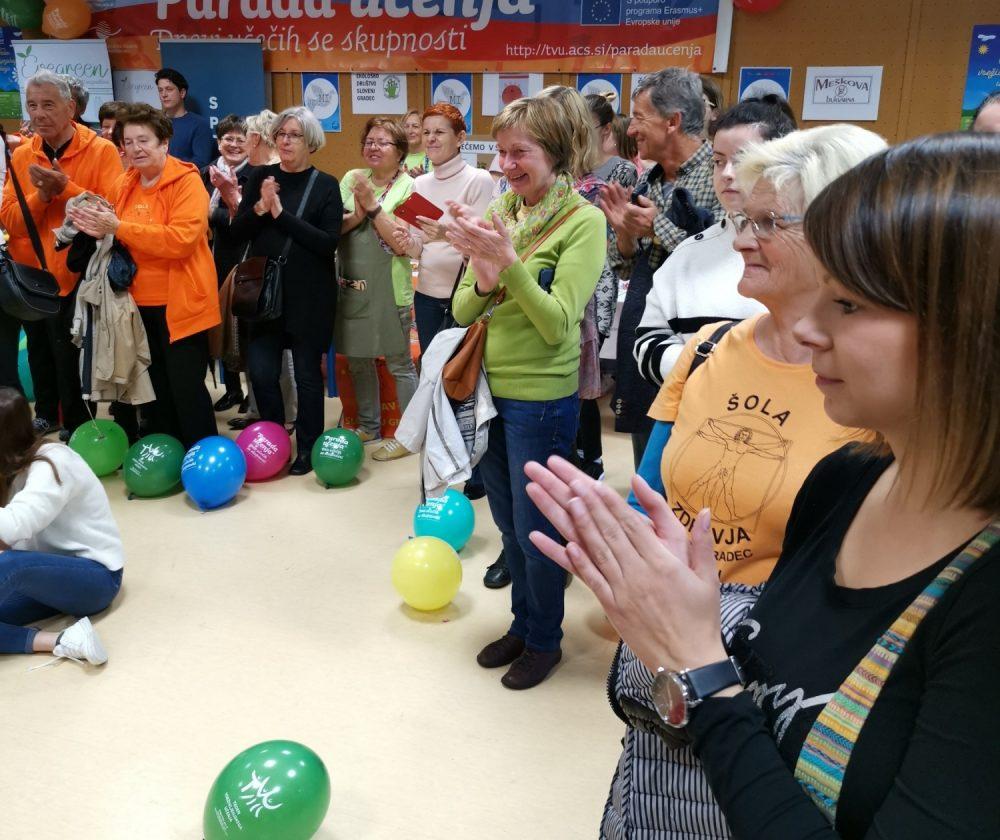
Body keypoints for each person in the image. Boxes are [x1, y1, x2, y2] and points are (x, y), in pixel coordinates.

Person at [528, 131, 1000, 839]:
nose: (808, 333)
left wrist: (697, 664)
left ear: (969, 324)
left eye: (850, 303)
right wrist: (672, 624)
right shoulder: (845, 483)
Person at [586, 124, 887, 838]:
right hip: (667, 676)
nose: (743, 240)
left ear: (842, 235)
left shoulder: (877, 393)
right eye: (741, 220)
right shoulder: (709, 348)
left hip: (778, 689)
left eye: (768, 223)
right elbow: (655, 493)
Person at [447, 94, 606, 690]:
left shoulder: (584, 222)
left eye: (521, 153)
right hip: (488, 391)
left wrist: (507, 264)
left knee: (538, 532)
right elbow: (463, 310)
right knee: (509, 526)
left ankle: (544, 641)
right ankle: (523, 624)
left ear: (556, 154)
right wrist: (486, 273)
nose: (506, 165)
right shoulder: (503, 210)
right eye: (502, 152)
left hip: (541, 400)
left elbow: (559, 323)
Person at [67, 104, 220, 449]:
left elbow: (180, 240)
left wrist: (119, 227)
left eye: (144, 140)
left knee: (186, 388)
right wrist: (96, 226)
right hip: (135, 306)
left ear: (164, 142)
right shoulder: (124, 183)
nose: (135, 148)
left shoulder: (187, 182)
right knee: (155, 390)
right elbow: (115, 234)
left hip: (182, 306)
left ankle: (201, 455)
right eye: (128, 142)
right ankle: (167, 454)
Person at [601, 68, 724, 467]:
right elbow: (624, 267)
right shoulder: (649, 180)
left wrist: (657, 227)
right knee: (647, 460)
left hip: (697, 344)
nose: (631, 129)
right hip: (645, 339)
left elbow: (722, 258)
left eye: (639, 117)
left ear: (672, 121)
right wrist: (624, 233)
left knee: (694, 464)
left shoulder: (721, 174)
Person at [633, 97, 796, 388]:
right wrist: (710, 368)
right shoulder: (688, 253)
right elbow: (648, 343)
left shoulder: (810, 253)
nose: (728, 174)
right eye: (719, 162)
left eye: (744, 160)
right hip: (699, 405)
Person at [0, 70, 122, 439]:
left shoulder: (101, 150)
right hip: (30, 276)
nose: (39, 114)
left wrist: (65, 188)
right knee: (38, 349)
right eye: (32, 105)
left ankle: (77, 421)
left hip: (79, 272)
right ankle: (46, 413)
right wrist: (42, 196)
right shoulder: (23, 154)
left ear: (70, 107)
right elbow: (10, 220)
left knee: (73, 354)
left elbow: (111, 211)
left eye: (48, 105)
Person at [229, 107, 342, 476]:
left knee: (307, 377)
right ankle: (274, 440)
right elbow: (236, 233)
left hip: (310, 298)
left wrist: (281, 215)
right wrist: (260, 208)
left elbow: (327, 243)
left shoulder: (325, 184)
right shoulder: (261, 177)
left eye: (294, 135)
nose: (286, 141)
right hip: (265, 295)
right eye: (281, 134)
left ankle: (308, 448)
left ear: (311, 142)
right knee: (262, 373)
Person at [0, 388, 123, 666]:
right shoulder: (11, 468)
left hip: (97, 579)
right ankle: (63, 641)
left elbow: (16, 525)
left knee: (9, 564)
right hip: (45, 580)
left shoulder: (54, 461)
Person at [336, 117, 417, 463]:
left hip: (391, 288)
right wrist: (359, 216)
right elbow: (335, 227)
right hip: (352, 284)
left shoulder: (412, 187)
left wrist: (370, 207)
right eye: (369, 141)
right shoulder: (352, 178)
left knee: (399, 363)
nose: (373, 147)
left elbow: (401, 243)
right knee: (358, 359)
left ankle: (409, 435)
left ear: (400, 152)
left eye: (383, 142)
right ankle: (368, 426)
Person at [392, 103, 494, 355]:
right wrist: (407, 243)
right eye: (426, 132)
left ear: (460, 138)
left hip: (464, 296)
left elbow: (482, 246)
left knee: (461, 371)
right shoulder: (420, 184)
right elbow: (420, 248)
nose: (431, 139)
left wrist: (444, 234)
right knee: (431, 370)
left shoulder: (478, 179)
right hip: (425, 295)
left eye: (439, 132)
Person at [227, 109, 298, 434]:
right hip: (254, 274)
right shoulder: (257, 176)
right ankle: (261, 413)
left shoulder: (278, 174)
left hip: (279, 276)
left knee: (279, 357)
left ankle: (285, 417)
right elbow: (241, 227)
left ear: (255, 138)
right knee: (261, 356)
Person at [201, 113, 253, 413]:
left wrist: (214, 215)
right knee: (219, 326)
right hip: (211, 260)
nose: (233, 144)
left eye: (240, 139)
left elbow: (246, 219)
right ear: (219, 143)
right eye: (227, 139)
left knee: (243, 327)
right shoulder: (204, 173)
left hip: (243, 259)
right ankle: (232, 389)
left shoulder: (255, 174)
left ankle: (251, 395)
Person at [155, 68, 216, 168]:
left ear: (182, 93)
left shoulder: (199, 125)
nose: (164, 95)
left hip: (183, 176)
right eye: (160, 90)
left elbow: (201, 161)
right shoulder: (154, 123)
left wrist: (169, 168)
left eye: (169, 89)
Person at [402, 109, 431, 176]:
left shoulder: (434, 157)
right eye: (406, 126)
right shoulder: (397, 158)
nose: (410, 131)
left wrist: (423, 179)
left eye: (415, 126)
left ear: (424, 130)